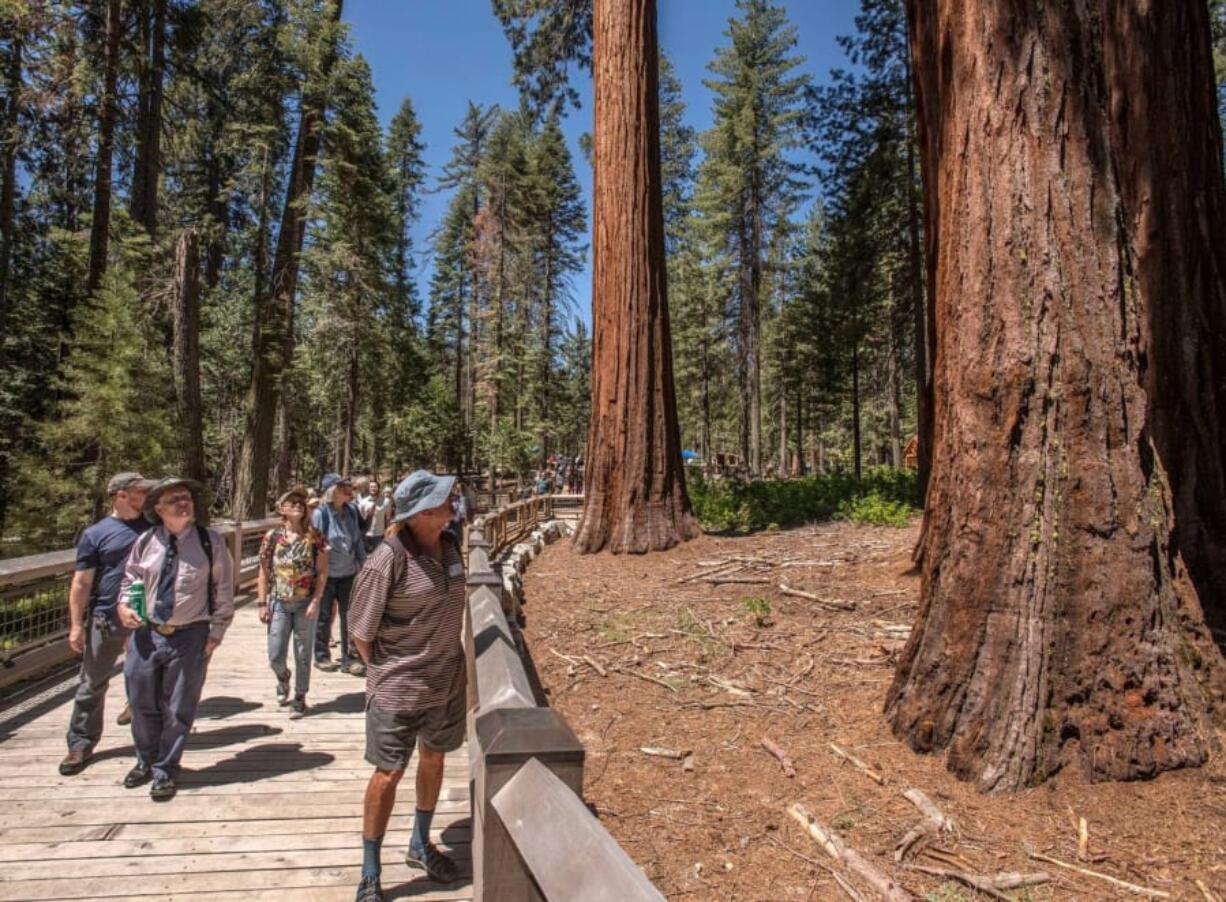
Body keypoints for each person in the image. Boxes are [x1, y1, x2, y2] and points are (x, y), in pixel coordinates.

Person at [349, 471, 466, 901]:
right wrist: (387, 671)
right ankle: (370, 872)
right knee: (388, 773)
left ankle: (420, 842)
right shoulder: (388, 559)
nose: (451, 501)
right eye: (441, 499)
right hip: (398, 688)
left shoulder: (451, 545)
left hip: (446, 682)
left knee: (434, 758)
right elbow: (360, 631)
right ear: (419, 513)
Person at [116, 477, 235, 801]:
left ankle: (166, 769)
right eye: (175, 499)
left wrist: (217, 631)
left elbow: (223, 588)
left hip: (190, 635)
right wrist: (124, 606)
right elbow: (131, 579)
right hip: (146, 633)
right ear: (158, 509)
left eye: (187, 498)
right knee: (141, 701)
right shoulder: (146, 541)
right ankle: (145, 759)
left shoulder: (210, 541)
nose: (184, 503)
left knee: (178, 707)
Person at [59, 472, 156, 776]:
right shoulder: (96, 534)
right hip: (105, 617)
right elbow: (81, 582)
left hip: (146, 616)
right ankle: (81, 743)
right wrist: (76, 625)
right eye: (140, 491)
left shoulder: (154, 530)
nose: (146, 496)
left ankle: (149, 747)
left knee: (147, 682)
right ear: (121, 495)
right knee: (93, 682)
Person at [258, 487, 327, 719]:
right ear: (281, 509)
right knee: (275, 653)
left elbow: (323, 571)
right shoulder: (272, 537)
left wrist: (316, 600)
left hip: (304, 601)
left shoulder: (314, 537)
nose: (297, 505)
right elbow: (263, 570)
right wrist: (261, 602)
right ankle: (282, 676)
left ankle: (300, 696)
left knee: (303, 652)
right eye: (292, 502)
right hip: (279, 601)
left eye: (301, 502)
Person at [312, 472, 367, 675]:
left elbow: (358, 540)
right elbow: (315, 545)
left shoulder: (352, 511)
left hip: (349, 573)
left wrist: (365, 564)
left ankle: (350, 659)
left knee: (350, 617)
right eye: (344, 487)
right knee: (324, 616)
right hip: (326, 575)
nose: (349, 490)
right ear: (333, 491)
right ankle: (322, 656)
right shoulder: (321, 514)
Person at [359, 480, 392, 554]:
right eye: (371, 487)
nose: (373, 488)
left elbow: (388, 518)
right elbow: (360, 519)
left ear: (378, 488)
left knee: (378, 557)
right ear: (368, 488)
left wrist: (388, 533)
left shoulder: (386, 501)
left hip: (379, 535)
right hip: (365, 534)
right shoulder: (363, 501)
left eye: (375, 487)